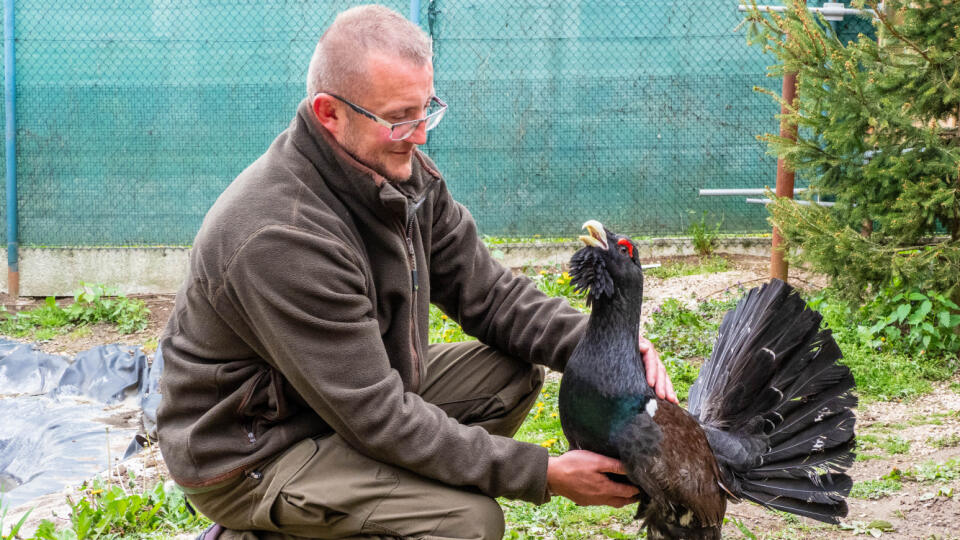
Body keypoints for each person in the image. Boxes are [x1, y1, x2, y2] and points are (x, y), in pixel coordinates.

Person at [157, 5, 676, 539]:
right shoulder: (282, 236)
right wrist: (541, 474)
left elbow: (492, 296)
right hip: (256, 449)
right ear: (329, 113)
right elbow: (378, 417)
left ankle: (375, 501)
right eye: (401, 118)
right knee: (469, 524)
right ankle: (267, 527)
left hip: (336, 403)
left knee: (512, 374)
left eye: (427, 109)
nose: (421, 134)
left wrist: (606, 347)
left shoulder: (400, 177)